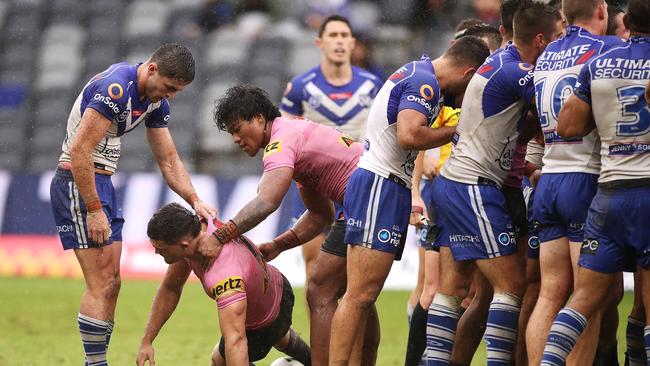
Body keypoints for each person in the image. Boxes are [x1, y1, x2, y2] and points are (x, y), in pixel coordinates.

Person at [49, 43, 216, 366]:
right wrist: (94, 208)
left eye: (177, 92)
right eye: (169, 88)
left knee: (112, 282)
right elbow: (80, 150)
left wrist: (194, 199)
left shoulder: (154, 102)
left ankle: (97, 362)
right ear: (151, 69)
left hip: (101, 183)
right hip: (78, 183)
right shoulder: (115, 89)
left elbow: (168, 160)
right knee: (101, 283)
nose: (169, 96)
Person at [328, 35, 490, 365]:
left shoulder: (418, 72)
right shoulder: (425, 83)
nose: (462, 99)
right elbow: (409, 135)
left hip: (385, 185)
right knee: (359, 295)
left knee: (363, 296)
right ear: (468, 72)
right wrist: (460, 130)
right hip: (379, 185)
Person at [425, 3, 563, 365]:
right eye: (559, 38)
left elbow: (519, 126)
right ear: (539, 39)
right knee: (511, 286)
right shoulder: (518, 72)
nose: (563, 45)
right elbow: (558, 110)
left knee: (451, 290)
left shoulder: (499, 62)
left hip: (457, 182)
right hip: (474, 185)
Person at [201, 85, 379, 366]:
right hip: (374, 197)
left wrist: (222, 235)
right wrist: (278, 244)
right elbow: (321, 214)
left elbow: (267, 200)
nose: (235, 138)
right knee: (357, 293)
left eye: (237, 128)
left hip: (367, 201)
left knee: (320, 288)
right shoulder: (295, 137)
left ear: (259, 119)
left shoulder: (281, 142)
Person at [541, 0, 650, 364]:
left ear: (628, 22)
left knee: (582, 300)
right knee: (646, 308)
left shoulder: (599, 63)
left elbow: (568, 126)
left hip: (608, 195)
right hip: (647, 191)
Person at [527, 1, 624, 364]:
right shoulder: (607, 50)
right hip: (585, 180)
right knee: (588, 298)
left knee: (550, 293)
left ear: (565, 16)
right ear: (602, 11)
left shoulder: (547, 53)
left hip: (548, 177)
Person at [279, 15, 381, 296]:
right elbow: (283, 136)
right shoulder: (300, 88)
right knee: (314, 272)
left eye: (344, 35)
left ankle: (351, 341)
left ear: (353, 43)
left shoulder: (374, 86)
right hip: (316, 187)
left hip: (357, 186)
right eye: (333, 35)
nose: (339, 41)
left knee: (355, 280)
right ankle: (320, 340)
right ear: (319, 43)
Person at [136, 203, 310, 366]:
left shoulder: (225, 277)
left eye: (161, 248)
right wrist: (147, 341)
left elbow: (236, 341)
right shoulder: (199, 227)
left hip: (262, 322)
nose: (156, 251)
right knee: (278, 334)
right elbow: (170, 288)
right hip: (278, 288)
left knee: (219, 360)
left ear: (184, 245)